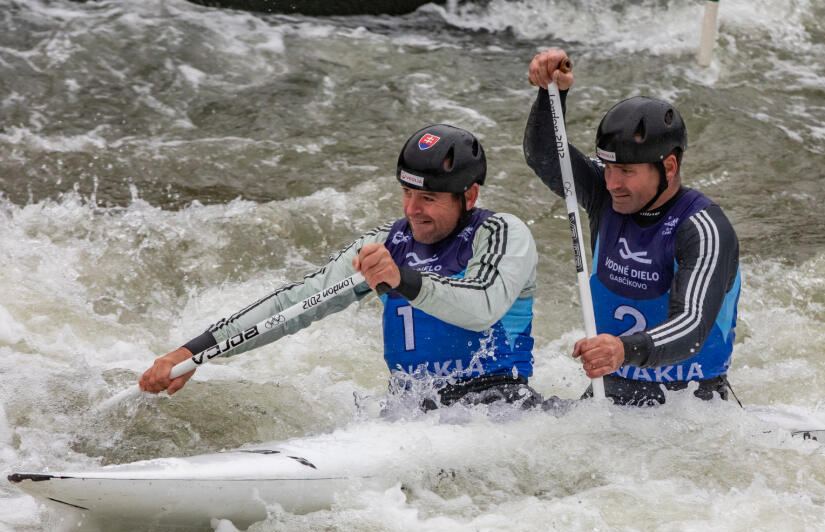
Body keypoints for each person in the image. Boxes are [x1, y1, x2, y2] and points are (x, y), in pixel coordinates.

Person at [140, 124, 542, 410]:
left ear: (468, 196)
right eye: (406, 193)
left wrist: (399, 277)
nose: (412, 210)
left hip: (498, 404)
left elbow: (482, 307)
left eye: (430, 198)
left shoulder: (503, 233)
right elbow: (297, 303)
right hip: (413, 410)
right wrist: (192, 353)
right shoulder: (388, 242)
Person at [524, 49, 741, 407]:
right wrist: (552, 92)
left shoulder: (703, 228)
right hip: (612, 389)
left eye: (626, 172)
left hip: (689, 402)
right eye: (607, 168)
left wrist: (623, 349)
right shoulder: (604, 197)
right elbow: (546, 156)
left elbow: (691, 326)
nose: (611, 183)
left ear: (668, 167)